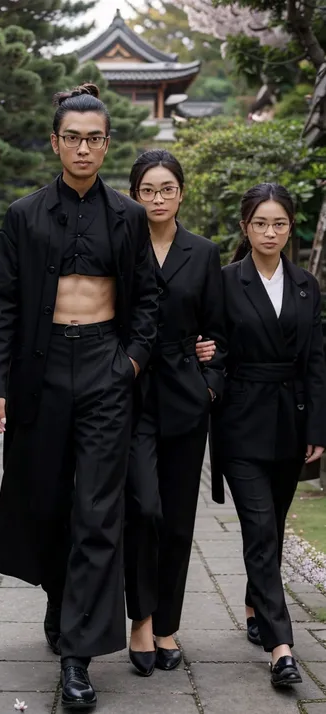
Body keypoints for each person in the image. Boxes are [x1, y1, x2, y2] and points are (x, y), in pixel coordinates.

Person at [0, 83, 159, 709]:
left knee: (98, 508)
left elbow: (149, 303)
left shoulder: (129, 217)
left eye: (95, 138)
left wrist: (130, 362)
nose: (83, 147)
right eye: (73, 137)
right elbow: (0, 303)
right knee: (45, 498)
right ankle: (60, 598)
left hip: (107, 367)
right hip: (42, 369)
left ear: (107, 145)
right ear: (56, 142)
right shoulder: (23, 215)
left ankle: (78, 657)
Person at [211, 183, 326, 687]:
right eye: (261, 223)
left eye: (279, 223)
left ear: (289, 229)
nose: (270, 232)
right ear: (245, 227)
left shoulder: (306, 284)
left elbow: (317, 361)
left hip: (290, 421)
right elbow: (212, 343)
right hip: (240, 422)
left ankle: (256, 604)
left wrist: (318, 427)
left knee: (273, 528)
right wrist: (205, 357)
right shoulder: (224, 282)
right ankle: (282, 647)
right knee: (259, 529)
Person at [124, 150, 227, 677]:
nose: (158, 199)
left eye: (167, 189)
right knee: (144, 510)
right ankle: (139, 617)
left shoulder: (203, 252)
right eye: (148, 190)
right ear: (135, 194)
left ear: (181, 193)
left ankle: (166, 626)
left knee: (180, 521)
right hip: (132, 397)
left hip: (187, 401)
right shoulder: (123, 244)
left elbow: (219, 329)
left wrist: (210, 381)